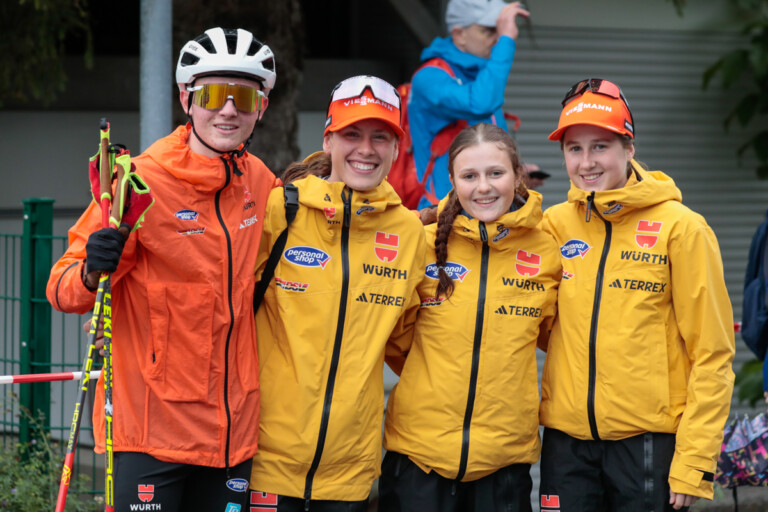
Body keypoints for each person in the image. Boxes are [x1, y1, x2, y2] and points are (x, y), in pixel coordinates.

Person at [46, 27, 280, 511]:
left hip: (231, 436)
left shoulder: (260, 182)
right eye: (212, 95)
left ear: (261, 107)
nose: (228, 110)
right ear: (186, 99)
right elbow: (62, 288)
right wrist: (91, 270)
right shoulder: (140, 179)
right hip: (151, 436)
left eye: (243, 97)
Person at [538, 78, 735, 511]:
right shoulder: (553, 225)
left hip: (648, 444)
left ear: (629, 148)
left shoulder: (682, 228)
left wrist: (694, 460)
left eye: (600, 146)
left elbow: (712, 354)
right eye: (574, 148)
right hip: (566, 445)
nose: (586, 162)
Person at [247, 75, 426, 511]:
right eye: (352, 134)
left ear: (396, 148)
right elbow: (216, 298)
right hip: (264, 459)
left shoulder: (408, 233)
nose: (366, 149)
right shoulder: (279, 210)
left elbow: (410, 344)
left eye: (380, 137)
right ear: (327, 140)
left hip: (349, 470)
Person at [378, 123, 560, 512]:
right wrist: (432, 378)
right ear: (452, 180)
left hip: (504, 463)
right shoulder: (422, 243)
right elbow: (395, 338)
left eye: (496, 173)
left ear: (517, 175)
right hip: (418, 460)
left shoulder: (547, 250)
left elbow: (557, 337)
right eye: (470, 176)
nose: (484, 187)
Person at [408, 0, 530, 208]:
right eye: (488, 30)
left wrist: (511, 176)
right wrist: (506, 41)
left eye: (499, 30)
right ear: (459, 35)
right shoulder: (429, 77)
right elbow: (480, 103)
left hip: (488, 207)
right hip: (443, 212)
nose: (497, 37)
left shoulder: (481, 76)